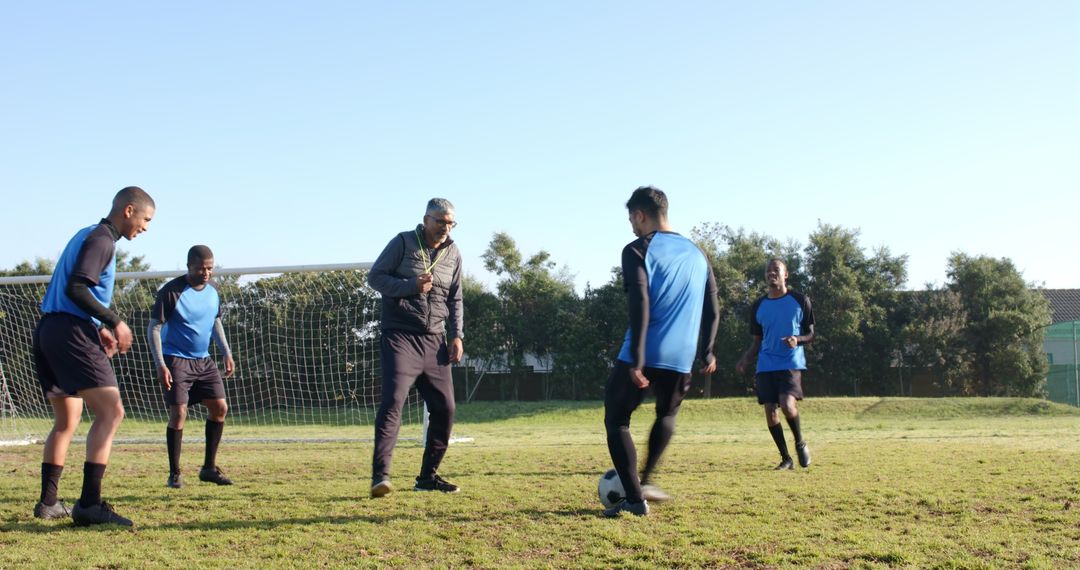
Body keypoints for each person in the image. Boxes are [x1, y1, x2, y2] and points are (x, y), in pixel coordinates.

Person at [32, 186, 155, 526]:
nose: (145, 228)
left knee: (67, 421)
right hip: (70, 333)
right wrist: (115, 321)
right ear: (128, 210)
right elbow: (77, 287)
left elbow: (70, 291)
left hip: (49, 330)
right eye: (145, 220)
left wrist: (95, 325)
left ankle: (49, 502)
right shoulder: (104, 240)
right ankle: (89, 504)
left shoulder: (85, 233)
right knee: (111, 413)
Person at [603, 186, 719, 517]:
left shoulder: (637, 249)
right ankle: (646, 481)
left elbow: (640, 302)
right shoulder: (698, 253)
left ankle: (635, 500)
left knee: (616, 418)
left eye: (631, 219)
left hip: (646, 349)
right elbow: (713, 307)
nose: (631, 226)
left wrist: (637, 358)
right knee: (666, 415)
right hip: (682, 356)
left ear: (640, 215)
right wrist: (707, 351)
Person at [367, 198, 464, 498]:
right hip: (400, 337)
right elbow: (375, 278)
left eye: (451, 223)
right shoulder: (403, 242)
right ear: (426, 220)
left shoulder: (454, 253)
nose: (445, 228)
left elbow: (455, 298)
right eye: (440, 222)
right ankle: (380, 477)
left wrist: (457, 335)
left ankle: (427, 477)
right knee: (393, 403)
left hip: (435, 341)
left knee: (445, 409)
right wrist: (410, 285)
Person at [148, 245, 236, 489]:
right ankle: (175, 474)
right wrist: (161, 364)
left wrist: (226, 352)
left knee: (220, 408)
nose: (206, 273)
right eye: (200, 268)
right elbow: (154, 328)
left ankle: (208, 468)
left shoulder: (213, 291)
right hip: (175, 359)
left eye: (209, 268)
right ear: (189, 267)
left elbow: (215, 321)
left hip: (203, 360)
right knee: (179, 413)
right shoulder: (171, 291)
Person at [736, 258, 816, 470]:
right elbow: (757, 341)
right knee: (771, 410)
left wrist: (797, 340)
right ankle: (786, 459)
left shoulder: (800, 300)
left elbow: (810, 334)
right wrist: (746, 359)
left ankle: (800, 443)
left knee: (788, 405)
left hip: (790, 362)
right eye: (768, 271)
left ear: (785, 275)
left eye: (776, 270)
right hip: (765, 365)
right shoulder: (758, 306)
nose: (771, 273)